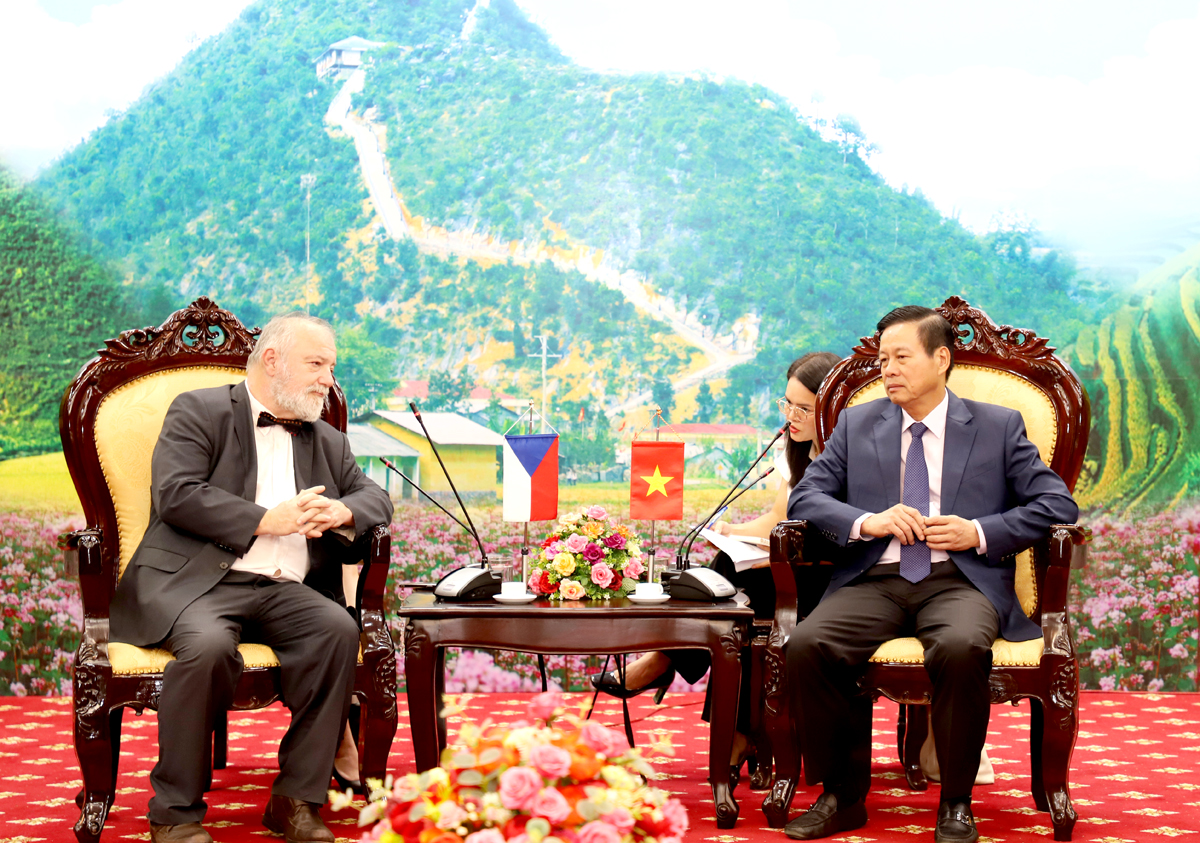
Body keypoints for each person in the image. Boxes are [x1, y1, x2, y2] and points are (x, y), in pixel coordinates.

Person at [782, 306, 1078, 843]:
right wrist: (867, 521)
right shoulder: (857, 422)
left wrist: (979, 532)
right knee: (807, 644)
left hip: (960, 580)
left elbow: (1057, 505)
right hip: (876, 578)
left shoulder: (996, 425)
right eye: (881, 359)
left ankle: (956, 804)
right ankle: (843, 796)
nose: (887, 370)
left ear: (941, 359)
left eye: (901, 357)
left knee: (962, 646)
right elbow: (807, 496)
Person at [110, 313, 395, 843]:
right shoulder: (200, 410)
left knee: (336, 630)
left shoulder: (328, 440)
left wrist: (342, 513)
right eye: (316, 364)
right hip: (200, 585)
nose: (327, 379)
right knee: (209, 647)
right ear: (272, 360)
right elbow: (176, 494)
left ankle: (295, 802)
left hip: (286, 590)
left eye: (331, 366)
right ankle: (174, 813)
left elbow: (374, 497)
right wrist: (269, 519)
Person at [590, 352, 841, 769]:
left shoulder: (849, 455)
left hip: (828, 582)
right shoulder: (798, 449)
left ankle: (667, 662)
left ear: (832, 405)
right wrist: (734, 532)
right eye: (786, 404)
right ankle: (736, 732)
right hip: (789, 570)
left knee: (731, 599)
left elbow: (819, 533)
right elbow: (779, 519)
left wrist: (753, 544)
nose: (790, 417)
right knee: (732, 607)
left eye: (802, 408)